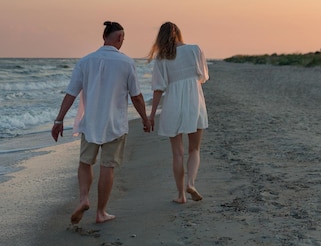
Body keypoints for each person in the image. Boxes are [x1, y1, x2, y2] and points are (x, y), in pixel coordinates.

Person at [52, 21, 151, 224]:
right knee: (108, 166)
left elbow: (71, 93)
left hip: (90, 123)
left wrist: (59, 119)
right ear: (120, 38)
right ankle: (101, 213)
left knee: (85, 162)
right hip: (115, 124)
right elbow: (137, 96)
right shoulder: (126, 63)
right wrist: (145, 118)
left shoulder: (86, 61)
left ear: (103, 37)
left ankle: (83, 199)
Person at [147, 21, 209, 204]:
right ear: (179, 33)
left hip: (172, 103)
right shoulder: (195, 50)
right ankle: (191, 183)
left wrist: (151, 115)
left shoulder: (161, 58)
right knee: (194, 148)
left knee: (177, 153)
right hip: (194, 101)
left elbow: (158, 88)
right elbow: (203, 77)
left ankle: (181, 195)